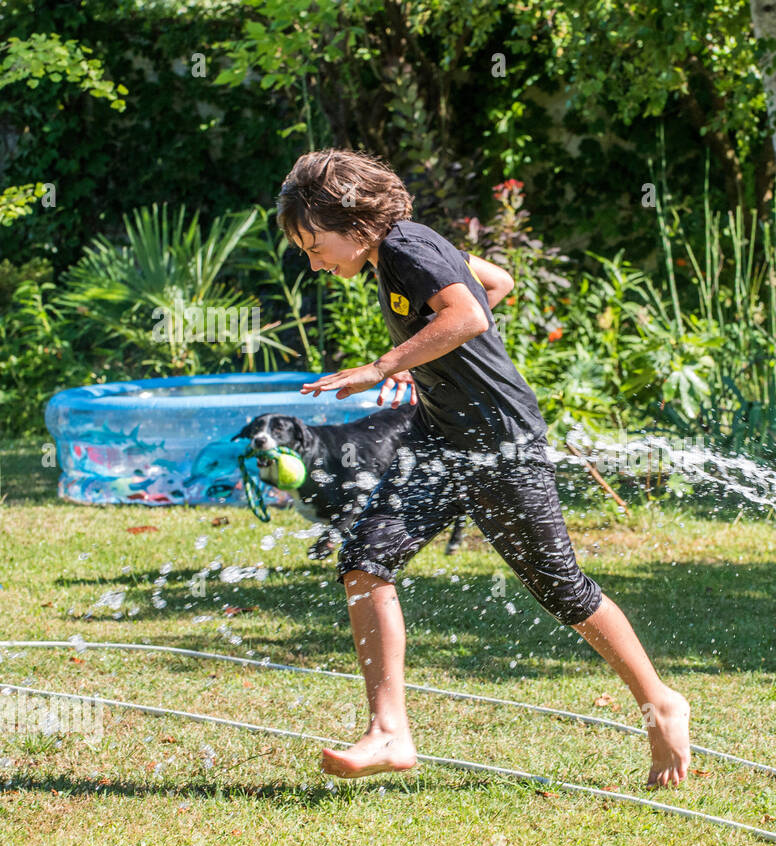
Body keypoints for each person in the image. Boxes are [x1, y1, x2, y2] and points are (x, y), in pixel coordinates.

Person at [277, 148, 691, 786]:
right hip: (440, 433)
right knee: (365, 557)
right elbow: (495, 283)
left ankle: (660, 702)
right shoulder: (403, 253)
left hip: (499, 441)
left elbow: (468, 313)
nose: (313, 260)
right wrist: (431, 368)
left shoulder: (408, 248)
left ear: (355, 222)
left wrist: (387, 365)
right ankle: (389, 732)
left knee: (562, 588)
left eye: (314, 244)